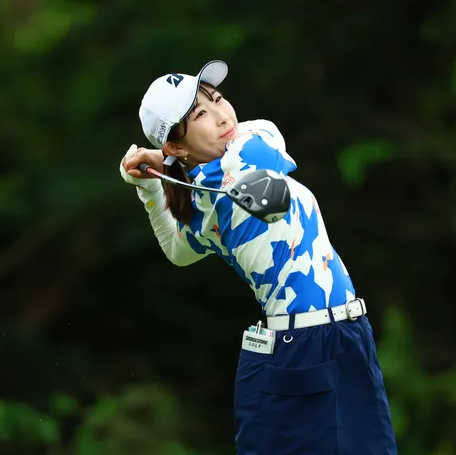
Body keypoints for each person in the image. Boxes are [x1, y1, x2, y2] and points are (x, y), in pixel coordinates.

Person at [120, 60, 398, 455]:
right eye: (200, 114)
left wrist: (156, 176)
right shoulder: (226, 174)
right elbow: (265, 139)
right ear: (177, 146)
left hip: (342, 336)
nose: (222, 115)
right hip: (309, 344)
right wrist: (156, 180)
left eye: (218, 99)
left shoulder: (208, 192)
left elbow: (177, 248)